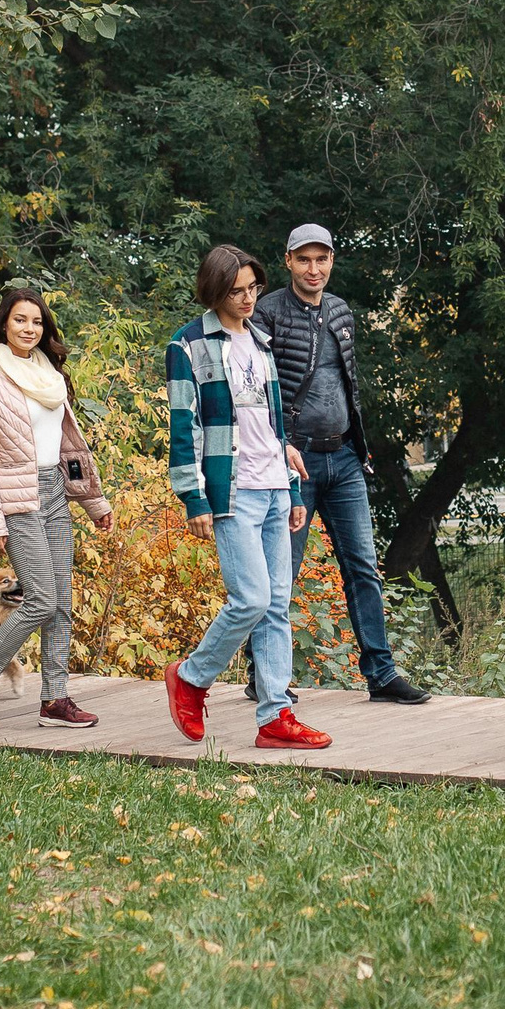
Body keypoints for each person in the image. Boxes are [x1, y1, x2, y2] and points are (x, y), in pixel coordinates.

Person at [162, 245, 332, 750]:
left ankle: (276, 715)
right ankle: (192, 676)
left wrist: (293, 483)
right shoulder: (188, 346)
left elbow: (273, 425)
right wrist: (193, 498)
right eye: (237, 291)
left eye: (254, 288)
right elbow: (182, 428)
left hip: (275, 486)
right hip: (231, 492)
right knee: (252, 599)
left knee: (278, 604)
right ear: (216, 290)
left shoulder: (260, 343)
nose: (248, 298)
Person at [251, 223, 429, 707]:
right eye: (304, 260)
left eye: (322, 259)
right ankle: (265, 676)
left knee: (364, 569)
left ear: (332, 261)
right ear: (288, 262)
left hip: (346, 458)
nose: (314, 269)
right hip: (293, 460)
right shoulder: (265, 312)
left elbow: (346, 382)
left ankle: (381, 674)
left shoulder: (340, 310)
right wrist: (277, 445)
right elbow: (257, 390)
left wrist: (360, 441)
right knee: (279, 572)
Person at [0, 288, 116, 731]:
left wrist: (93, 503)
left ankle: (55, 699)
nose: (30, 329)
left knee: (60, 604)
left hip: (56, 495)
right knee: (40, 599)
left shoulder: (51, 378)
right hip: (16, 499)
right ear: (4, 324)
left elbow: (69, 449)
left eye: (37, 322)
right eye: (21, 320)